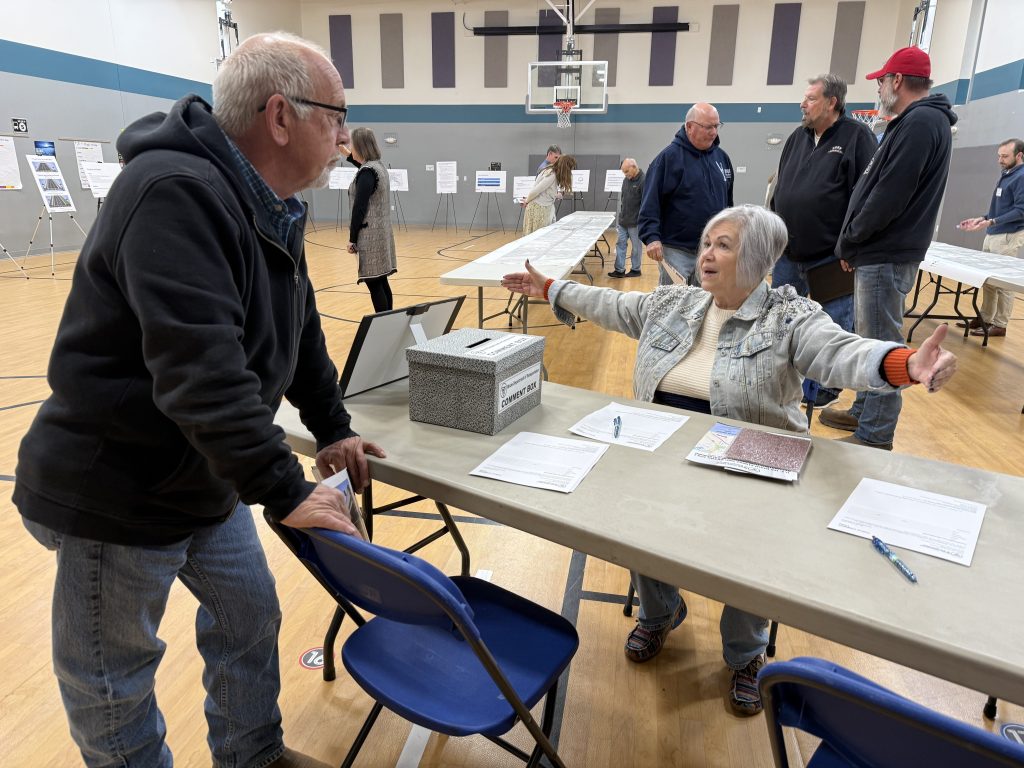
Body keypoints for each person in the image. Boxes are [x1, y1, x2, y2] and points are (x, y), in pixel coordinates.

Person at [13, 32, 386, 768]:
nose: (345, 136)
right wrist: (285, 491)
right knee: (114, 679)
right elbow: (201, 374)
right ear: (280, 116)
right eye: (335, 117)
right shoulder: (174, 192)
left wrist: (332, 426)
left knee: (249, 618)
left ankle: (252, 756)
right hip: (116, 491)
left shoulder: (272, 202)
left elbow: (299, 325)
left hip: (203, 476)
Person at [501, 204, 957, 716]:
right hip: (663, 448)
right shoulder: (673, 304)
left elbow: (838, 353)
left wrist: (903, 364)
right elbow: (611, 305)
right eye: (705, 243)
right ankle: (659, 614)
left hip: (752, 457)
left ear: (760, 259)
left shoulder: (790, 316)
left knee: (749, 546)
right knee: (636, 517)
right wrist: (551, 290)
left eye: (723, 244)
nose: (706, 254)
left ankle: (745, 654)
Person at [819, 46, 957, 450]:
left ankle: (875, 433)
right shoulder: (917, 122)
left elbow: (889, 195)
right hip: (881, 251)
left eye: (881, 81)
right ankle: (865, 407)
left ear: (896, 81)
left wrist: (853, 237)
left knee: (882, 340)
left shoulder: (920, 122)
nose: (879, 89)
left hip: (885, 251)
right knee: (870, 339)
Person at [770, 73, 877, 407]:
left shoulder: (857, 137)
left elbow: (867, 196)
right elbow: (781, 187)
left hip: (832, 256)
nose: (803, 104)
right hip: (789, 253)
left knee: (832, 325)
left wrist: (852, 243)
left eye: (811, 98)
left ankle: (824, 389)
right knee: (778, 319)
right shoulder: (797, 137)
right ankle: (776, 377)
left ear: (832, 102)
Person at [639, 102, 733, 286]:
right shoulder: (667, 159)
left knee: (703, 305)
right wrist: (651, 237)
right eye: (708, 127)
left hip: (710, 250)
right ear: (689, 126)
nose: (714, 132)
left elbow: (728, 203)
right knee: (672, 307)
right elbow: (650, 202)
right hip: (676, 250)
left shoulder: (722, 159)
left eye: (717, 126)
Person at [957, 138, 1024, 337]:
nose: (1000, 160)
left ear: (1019, 155)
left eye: (1005, 156)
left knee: (1003, 283)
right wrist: (983, 219)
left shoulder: (1021, 176)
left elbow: (1021, 210)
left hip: (1007, 236)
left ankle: (1000, 324)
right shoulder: (1007, 174)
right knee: (988, 280)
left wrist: (992, 222)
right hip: (993, 233)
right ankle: (985, 318)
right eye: (999, 156)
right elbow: (1002, 208)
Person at [341, 127, 398, 312]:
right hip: (382, 234)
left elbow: (359, 209)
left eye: (352, 145)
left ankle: (384, 322)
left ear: (360, 146)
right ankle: (390, 320)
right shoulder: (377, 166)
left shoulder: (367, 173)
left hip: (370, 236)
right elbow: (363, 168)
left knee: (374, 283)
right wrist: (344, 152)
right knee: (381, 280)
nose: (351, 147)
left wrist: (352, 238)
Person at [521, 154, 576, 234]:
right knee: (538, 236)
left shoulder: (552, 172)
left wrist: (557, 194)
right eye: (570, 168)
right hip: (538, 208)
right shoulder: (552, 175)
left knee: (545, 234)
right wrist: (527, 201)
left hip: (545, 206)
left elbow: (546, 191)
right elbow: (537, 190)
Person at [608, 158, 645, 279]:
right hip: (623, 221)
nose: (625, 174)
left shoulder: (644, 181)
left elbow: (646, 203)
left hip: (635, 222)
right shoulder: (626, 180)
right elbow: (623, 200)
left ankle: (636, 269)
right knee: (620, 244)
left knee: (636, 247)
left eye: (626, 171)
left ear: (634, 167)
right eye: (623, 172)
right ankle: (619, 270)